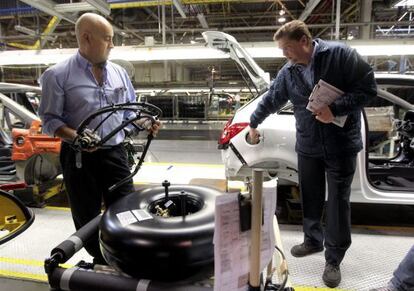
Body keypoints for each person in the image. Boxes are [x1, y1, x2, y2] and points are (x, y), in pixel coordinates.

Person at [248, 20, 377, 288]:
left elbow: (368, 90)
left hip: (340, 144)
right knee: (311, 194)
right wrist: (253, 122)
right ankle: (312, 240)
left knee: (338, 202)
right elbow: (273, 98)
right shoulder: (289, 72)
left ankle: (334, 258)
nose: (284, 55)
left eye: (287, 49)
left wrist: (337, 108)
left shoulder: (341, 56)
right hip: (308, 144)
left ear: (304, 42)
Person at [38, 13, 160, 264]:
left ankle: (127, 258)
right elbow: (50, 121)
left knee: (128, 208)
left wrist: (145, 122)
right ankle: (101, 261)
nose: (112, 45)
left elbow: (130, 112)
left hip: (115, 154)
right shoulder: (57, 75)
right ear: (86, 38)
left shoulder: (119, 73)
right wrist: (76, 137)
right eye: (107, 39)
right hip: (80, 158)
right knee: (87, 216)